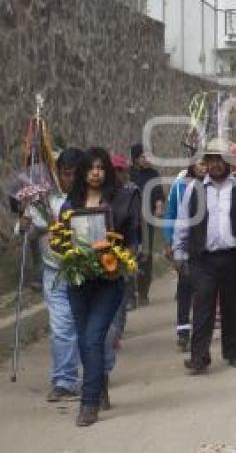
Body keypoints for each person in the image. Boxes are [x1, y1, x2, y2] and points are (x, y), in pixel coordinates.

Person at [173, 138, 236, 374]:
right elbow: (183, 223)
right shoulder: (194, 189)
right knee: (203, 307)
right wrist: (179, 251)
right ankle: (199, 357)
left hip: (235, 258)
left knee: (234, 306)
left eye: (220, 159)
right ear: (206, 163)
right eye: (211, 159)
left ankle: (233, 350)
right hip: (203, 259)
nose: (216, 164)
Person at [63, 147, 140, 426]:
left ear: (107, 171)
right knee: (85, 339)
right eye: (90, 168)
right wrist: (66, 255)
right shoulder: (71, 203)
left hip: (109, 282)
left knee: (95, 337)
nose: (96, 173)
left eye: (101, 168)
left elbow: (133, 241)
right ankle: (100, 381)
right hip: (78, 281)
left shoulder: (122, 199)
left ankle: (89, 403)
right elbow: (61, 238)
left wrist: (122, 261)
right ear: (83, 172)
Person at [16, 147, 84, 402]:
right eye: (66, 174)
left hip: (84, 273)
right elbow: (30, 233)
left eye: (76, 175)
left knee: (86, 326)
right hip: (55, 274)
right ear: (58, 174)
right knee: (62, 326)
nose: (71, 180)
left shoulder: (89, 201)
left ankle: (95, 373)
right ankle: (64, 380)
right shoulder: (44, 201)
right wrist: (24, 225)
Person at [102, 153, 142, 401]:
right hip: (87, 272)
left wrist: (128, 257)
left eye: (120, 171)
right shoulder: (83, 199)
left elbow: (134, 231)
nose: (115, 175)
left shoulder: (130, 196)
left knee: (111, 326)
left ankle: (101, 376)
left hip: (117, 267)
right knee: (90, 332)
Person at [163, 159, 208, 352]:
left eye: (205, 163)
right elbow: (171, 213)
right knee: (185, 287)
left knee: (204, 291)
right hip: (186, 243)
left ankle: (200, 330)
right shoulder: (180, 186)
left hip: (207, 245)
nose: (203, 167)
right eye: (199, 163)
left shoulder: (213, 185)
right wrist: (169, 241)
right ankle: (183, 331)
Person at [128, 143, 166, 308]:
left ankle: (143, 292)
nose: (147, 159)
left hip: (147, 219)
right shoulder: (129, 175)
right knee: (129, 255)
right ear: (136, 159)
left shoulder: (153, 174)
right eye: (143, 156)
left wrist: (158, 208)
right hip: (130, 220)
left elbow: (158, 194)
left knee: (146, 256)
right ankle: (130, 294)